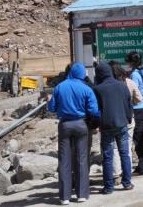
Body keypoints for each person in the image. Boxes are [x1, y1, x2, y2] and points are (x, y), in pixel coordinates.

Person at [47, 63, 99, 205]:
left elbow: (51, 108)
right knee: (81, 159)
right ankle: (81, 195)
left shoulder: (59, 87)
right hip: (81, 124)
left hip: (64, 125)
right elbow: (94, 110)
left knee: (64, 160)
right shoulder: (86, 88)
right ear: (82, 74)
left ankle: (65, 197)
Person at [93, 63, 135, 194]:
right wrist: (128, 118)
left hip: (106, 126)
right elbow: (129, 104)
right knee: (124, 154)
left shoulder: (98, 89)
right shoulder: (122, 85)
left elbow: (96, 110)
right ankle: (127, 183)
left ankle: (108, 187)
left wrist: (96, 124)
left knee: (107, 156)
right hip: (122, 124)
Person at [106, 61, 141, 181]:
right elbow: (139, 98)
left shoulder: (106, 85)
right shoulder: (129, 82)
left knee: (114, 148)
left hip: (111, 118)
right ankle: (127, 174)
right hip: (128, 118)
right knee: (127, 147)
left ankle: (116, 174)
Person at [126, 51, 143, 175]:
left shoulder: (134, 75)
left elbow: (133, 92)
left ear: (131, 62)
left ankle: (142, 167)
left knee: (139, 137)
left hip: (138, 108)